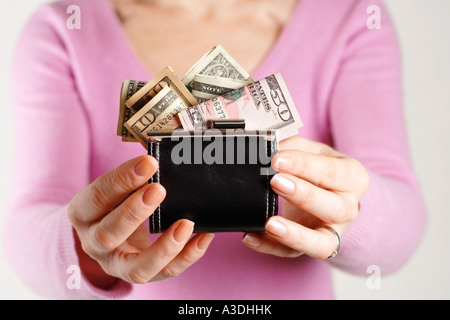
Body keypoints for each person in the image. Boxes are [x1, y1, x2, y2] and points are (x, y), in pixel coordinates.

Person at [3, 0, 427, 299]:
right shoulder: (64, 28)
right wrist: (90, 248)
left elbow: (403, 223)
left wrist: (346, 209)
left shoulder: (349, 16)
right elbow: (28, 222)